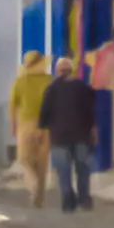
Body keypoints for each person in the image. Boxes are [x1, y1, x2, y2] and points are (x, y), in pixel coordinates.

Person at [38, 56, 100, 213]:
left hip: (59, 137)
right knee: (82, 169)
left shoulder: (51, 88)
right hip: (81, 135)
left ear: (57, 71)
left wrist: (42, 129)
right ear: (71, 71)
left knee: (63, 171)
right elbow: (90, 109)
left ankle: (67, 200)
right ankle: (84, 198)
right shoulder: (81, 86)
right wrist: (92, 128)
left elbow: (44, 112)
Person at [7, 50, 52, 201]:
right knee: (42, 160)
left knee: (24, 158)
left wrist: (12, 125)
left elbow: (13, 106)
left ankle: (33, 184)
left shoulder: (19, 82)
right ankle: (39, 193)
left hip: (26, 123)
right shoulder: (49, 80)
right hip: (46, 124)